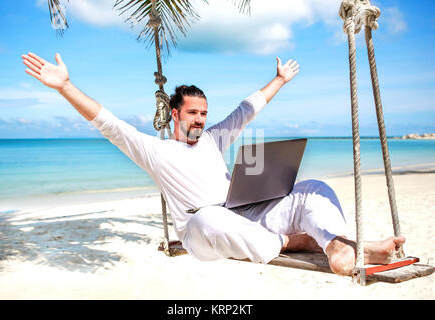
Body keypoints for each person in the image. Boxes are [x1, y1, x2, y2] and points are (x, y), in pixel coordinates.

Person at [22, 52, 405, 276]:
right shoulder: (155, 151)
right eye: (193, 113)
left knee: (312, 189)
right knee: (208, 215)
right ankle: (302, 241)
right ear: (175, 114)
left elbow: (246, 111)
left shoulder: (213, 139)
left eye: (204, 113)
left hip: (246, 219)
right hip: (201, 232)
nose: (200, 120)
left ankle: (339, 247)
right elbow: (109, 123)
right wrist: (64, 87)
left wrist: (279, 81)